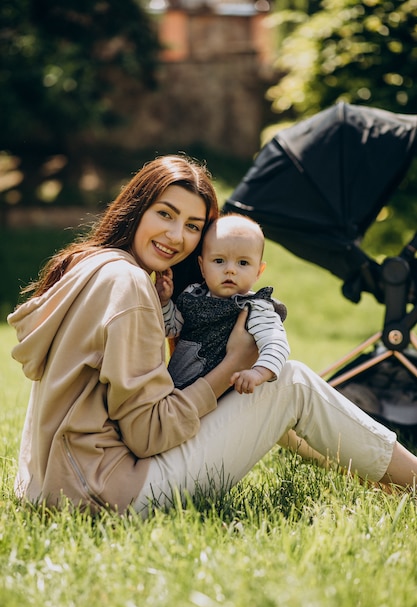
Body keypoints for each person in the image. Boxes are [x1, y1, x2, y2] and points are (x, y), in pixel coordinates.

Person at [7, 154, 417, 518]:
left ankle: (381, 479)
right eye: (164, 214)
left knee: (270, 397)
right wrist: (233, 365)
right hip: (105, 495)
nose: (175, 236)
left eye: (192, 226)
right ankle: (412, 479)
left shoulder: (90, 265)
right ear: (136, 208)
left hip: (52, 484)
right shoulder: (128, 285)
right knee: (288, 383)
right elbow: (149, 434)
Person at [156, 213, 290, 393]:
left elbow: (276, 343)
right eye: (219, 261)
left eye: (243, 263)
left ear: (259, 271)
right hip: (177, 390)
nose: (230, 270)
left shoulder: (256, 308)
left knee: (294, 373)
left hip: (223, 396)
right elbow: (171, 328)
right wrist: (164, 302)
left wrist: (258, 373)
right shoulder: (193, 295)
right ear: (202, 266)